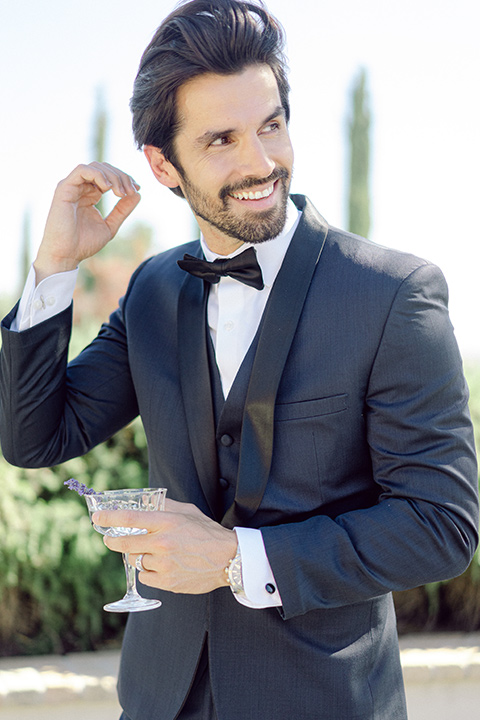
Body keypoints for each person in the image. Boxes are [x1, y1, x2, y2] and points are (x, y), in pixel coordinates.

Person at [0, 1, 478, 718]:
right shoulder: (154, 291)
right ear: (164, 164)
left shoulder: (392, 294)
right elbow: (35, 437)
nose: (261, 163)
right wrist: (55, 269)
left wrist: (235, 558)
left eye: (272, 125)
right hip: (161, 700)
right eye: (221, 140)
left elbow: (441, 526)